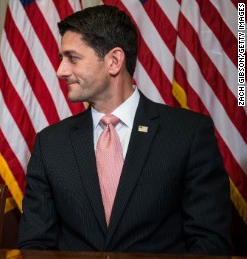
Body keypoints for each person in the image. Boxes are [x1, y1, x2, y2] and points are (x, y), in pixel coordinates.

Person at [18, 5, 232, 255]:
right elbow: (35, 246)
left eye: (72, 58)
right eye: (61, 58)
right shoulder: (50, 143)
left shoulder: (188, 134)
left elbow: (210, 244)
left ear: (114, 61)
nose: (60, 71)